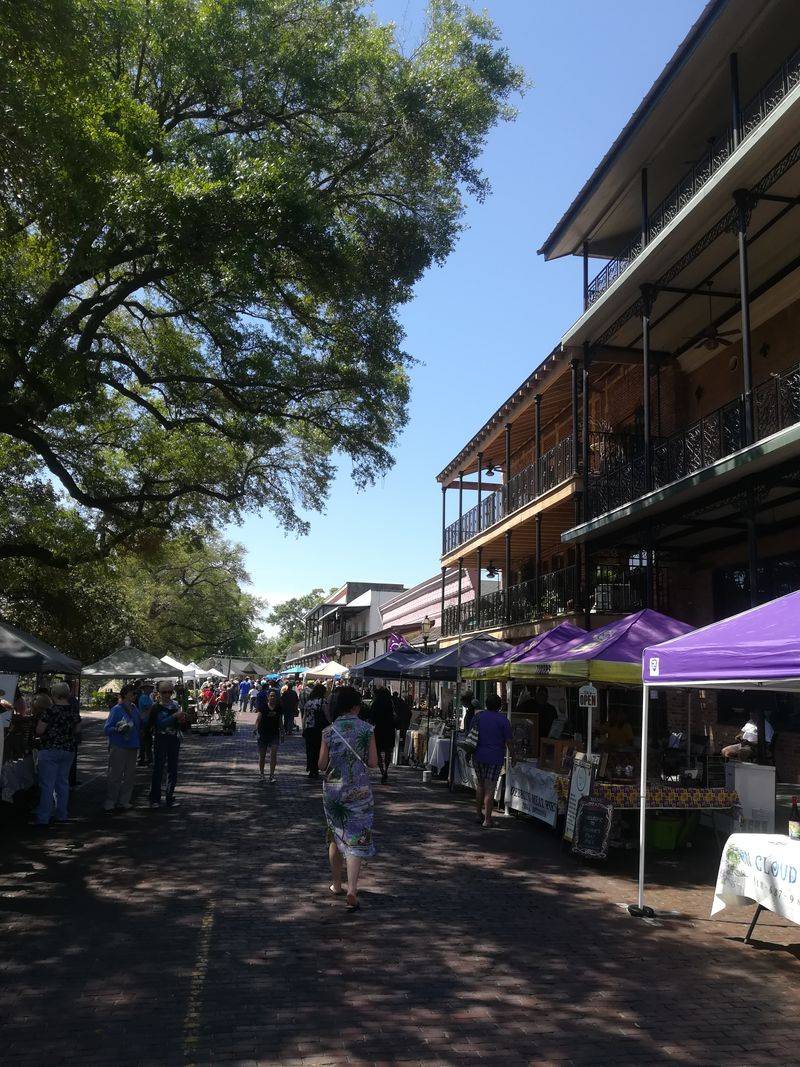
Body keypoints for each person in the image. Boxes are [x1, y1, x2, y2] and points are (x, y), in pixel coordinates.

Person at [319, 686, 379, 911]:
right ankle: (353, 888)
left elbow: (321, 765)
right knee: (356, 837)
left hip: (334, 791)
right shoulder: (367, 729)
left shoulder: (328, 731)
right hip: (360, 790)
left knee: (335, 834)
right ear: (355, 706)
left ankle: (337, 884)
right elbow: (373, 762)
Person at [33, 682, 81, 827]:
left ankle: (43, 817)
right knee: (62, 783)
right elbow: (77, 729)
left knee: (47, 785)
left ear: (54, 695)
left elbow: (39, 730)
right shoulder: (73, 711)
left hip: (49, 749)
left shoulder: (50, 711)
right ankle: (62, 814)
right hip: (67, 749)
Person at [472, 693, 512, 829]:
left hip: (478, 754)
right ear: (499, 706)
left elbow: (469, 735)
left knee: (480, 785)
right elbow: (509, 741)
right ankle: (487, 819)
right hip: (494, 757)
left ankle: (478, 814)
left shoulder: (478, 717)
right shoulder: (503, 720)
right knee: (490, 788)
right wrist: (515, 756)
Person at [103, 683, 141, 813]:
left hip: (133, 745)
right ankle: (111, 801)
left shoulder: (135, 708)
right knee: (115, 774)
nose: (134, 696)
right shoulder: (116, 710)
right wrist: (118, 728)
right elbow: (107, 729)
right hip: (119, 745)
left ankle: (125, 800)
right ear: (125, 694)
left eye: (135, 693)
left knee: (129, 775)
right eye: (132, 693)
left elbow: (139, 725)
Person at [149, 682, 186, 809]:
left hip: (174, 739)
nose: (167, 695)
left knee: (172, 769)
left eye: (170, 692)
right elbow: (159, 724)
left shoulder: (175, 705)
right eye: (164, 692)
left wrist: (182, 719)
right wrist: (174, 716)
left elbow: (180, 723)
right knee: (158, 768)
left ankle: (169, 797)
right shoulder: (156, 707)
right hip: (161, 738)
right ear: (159, 692)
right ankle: (155, 799)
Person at [367, 687, 395, 784]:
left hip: (378, 729)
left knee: (378, 751)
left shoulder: (375, 703)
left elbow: (371, 717)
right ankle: (386, 769)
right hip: (389, 729)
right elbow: (393, 716)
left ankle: (382, 770)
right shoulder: (390, 703)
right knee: (388, 751)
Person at [301, 683, 328, 779]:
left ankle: (311, 768)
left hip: (309, 728)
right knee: (318, 749)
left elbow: (304, 717)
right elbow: (327, 714)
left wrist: (303, 728)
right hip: (319, 728)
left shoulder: (309, 702)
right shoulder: (323, 701)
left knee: (310, 749)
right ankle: (316, 768)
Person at [255, 688, 282, 781]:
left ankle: (271, 775)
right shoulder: (263, 707)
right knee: (262, 755)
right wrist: (255, 729)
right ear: (268, 697)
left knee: (273, 755)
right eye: (271, 696)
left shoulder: (278, 708)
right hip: (263, 733)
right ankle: (262, 774)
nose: (272, 697)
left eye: (274, 696)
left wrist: (282, 732)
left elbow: (280, 721)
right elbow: (258, 719)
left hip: (274, 734)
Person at [137, 683, 155, 766]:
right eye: (150, 688)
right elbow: (146, 707)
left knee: (146, 741)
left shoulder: (147, 697)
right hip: (144, 721)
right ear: (145, 689)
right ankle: (144, 759)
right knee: (145, 741)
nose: (151, 689)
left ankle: (145, 758)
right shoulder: (144, 697)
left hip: (147, 721)